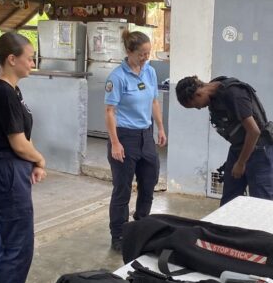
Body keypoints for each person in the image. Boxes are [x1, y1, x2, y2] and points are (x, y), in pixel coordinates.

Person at [0, 32, 46, 283]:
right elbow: (18, 142)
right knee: (18, 242)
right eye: (29, 58)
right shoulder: (3, 92)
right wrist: (39, 158)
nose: (33, 62)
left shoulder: (11, 90)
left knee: (15, 239)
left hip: (11, 167)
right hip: (7, 169)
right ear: (12, 59)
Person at [104, 30, 165, 251]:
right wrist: (116, 142)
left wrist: (160, 127)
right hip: (124, 137)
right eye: (142, 54)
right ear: (129, 52)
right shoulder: (117, 77)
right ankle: (118, 235)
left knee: (149, 183)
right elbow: (110, 111)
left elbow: (155, 102)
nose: (146, 57)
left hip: (145, 135)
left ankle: (141, 227)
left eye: (148, 53)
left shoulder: (149, 71)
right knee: (122, 189)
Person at [176, 75, 273, 205]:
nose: (199, 108)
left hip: (258, 150)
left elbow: (254, 132)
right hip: (238, 148)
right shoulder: (215, 93)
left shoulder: (234, 94)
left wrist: (240, 163)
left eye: (195, 105)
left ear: (198, 94)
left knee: (262, 203)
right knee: (229, 201)